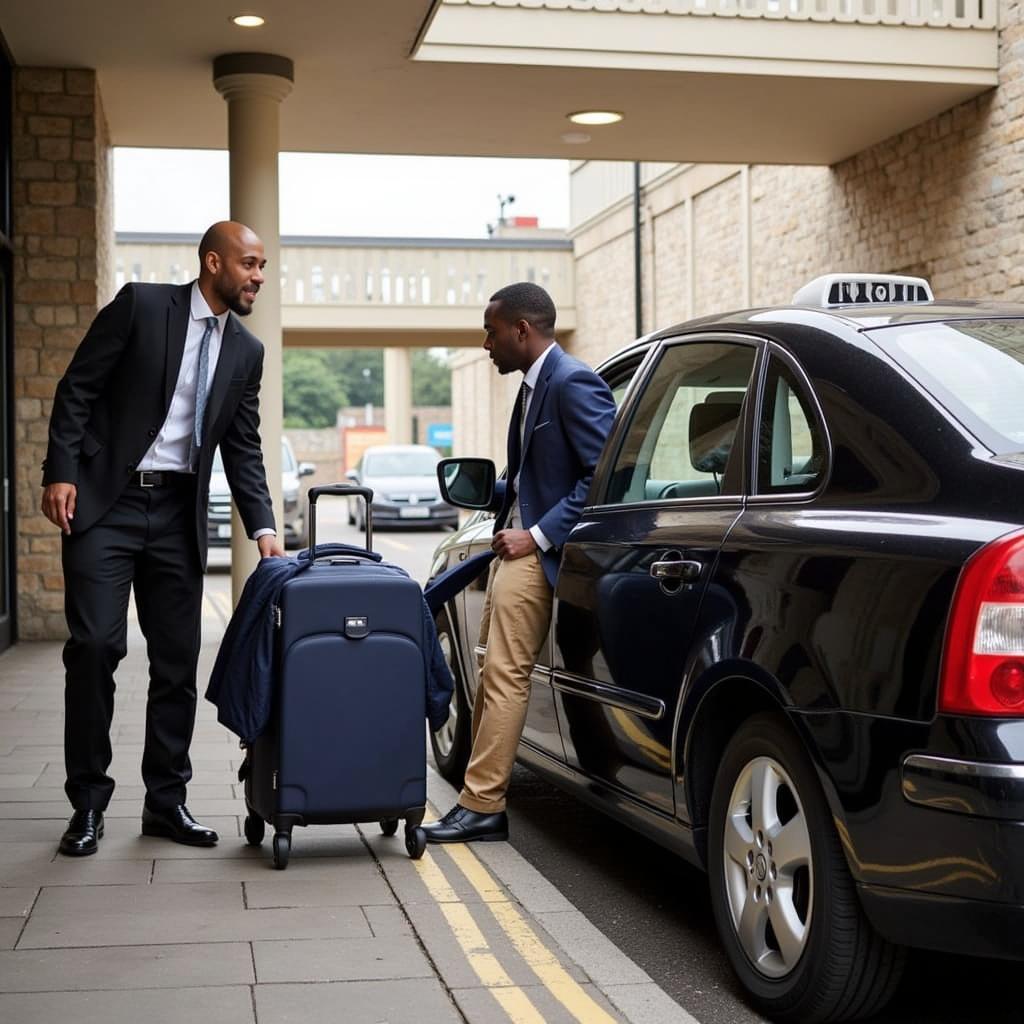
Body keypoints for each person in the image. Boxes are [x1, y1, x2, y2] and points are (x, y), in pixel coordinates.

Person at [41, 221, 285, 857]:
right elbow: (77, 390)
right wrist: (62, 472)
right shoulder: (143, 306)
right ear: (213, 263)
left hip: (178, 514)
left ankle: (166, 803)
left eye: (262, 266)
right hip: (106, 503)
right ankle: (88, 804)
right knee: (95, 646)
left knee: (177, 659)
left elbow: (243, 447)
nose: (259, 276)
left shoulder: (246, 352)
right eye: (250, 264)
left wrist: (263, 527)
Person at [423, 282, 616, 844]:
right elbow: (542, 473)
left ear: (521, 330)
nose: (486, 343)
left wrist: (535, 535)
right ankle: (476, 798)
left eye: (491, 331)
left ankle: (482, 805)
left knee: (504, 677)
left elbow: (600, 475)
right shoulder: (535, 386)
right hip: (514, 551)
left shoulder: (572, 381)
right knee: (490, 673)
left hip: (541, 555)